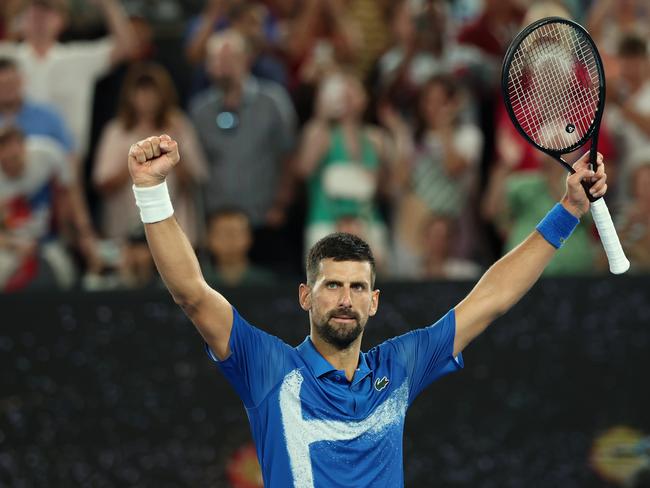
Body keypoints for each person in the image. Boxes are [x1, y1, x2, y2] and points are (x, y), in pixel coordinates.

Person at [127, 133, 609, 486]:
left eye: (358, 288)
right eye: (332, 285)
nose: (345, 298)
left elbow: (491, 299)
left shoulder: (398, 367)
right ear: (305, 296)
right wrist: (151, 191)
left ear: (374, 302)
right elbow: (192, 293)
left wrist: (567, 211)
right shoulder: (268, 368)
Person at [92, 62, 207, 246]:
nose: (146, 98)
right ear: (130, 95)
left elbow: (196, 180)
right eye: (141, 92)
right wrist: (134, 162)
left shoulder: (179, 126)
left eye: (152, 92)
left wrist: (176, 151)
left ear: (163, 94)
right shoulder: (117, 131)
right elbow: (102, 183)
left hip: (176, 227)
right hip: (126, 229)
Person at [0, 125, 76, 291]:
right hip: (10, 245)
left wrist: (78, 232)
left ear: (23, 147)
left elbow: (68, 191)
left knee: (66, 275)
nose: (11, 160)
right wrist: (15, 244)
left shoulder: (48, 156)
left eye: (15, 156)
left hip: (48, 240)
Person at [203, 207, 275, 287]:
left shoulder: (268, 281)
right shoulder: (201, 283)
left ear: (249, 237)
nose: (230, 239)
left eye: (236, 232)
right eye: (222, 233)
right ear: (208, 239)